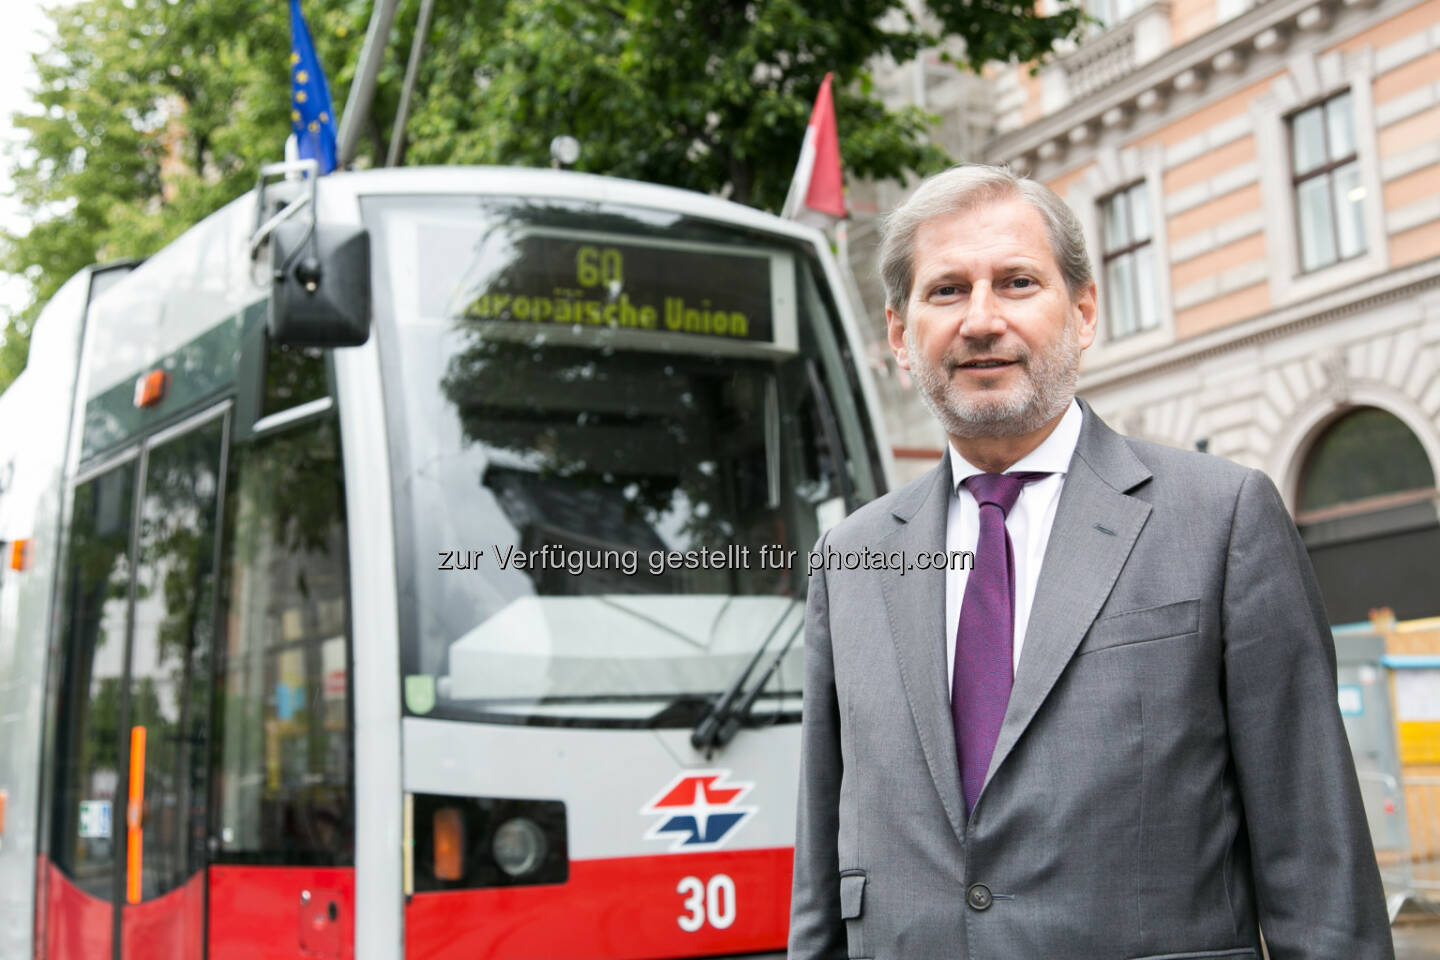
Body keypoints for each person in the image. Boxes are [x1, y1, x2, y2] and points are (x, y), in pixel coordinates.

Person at [788, 163, 1394, 959]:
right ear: (901, 335)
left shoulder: (1220, 518)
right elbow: (822, 880)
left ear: (1082, 311)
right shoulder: (852, 558)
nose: (980, 319)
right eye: (946, 291)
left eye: (1015, 282)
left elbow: (1320, 875)